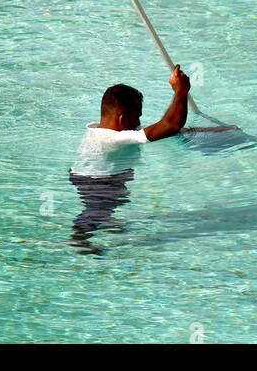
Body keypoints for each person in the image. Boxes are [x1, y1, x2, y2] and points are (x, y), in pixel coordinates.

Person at [68, 66, 190, 253]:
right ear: (122, 118)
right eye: (137, 117)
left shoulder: (97, 130)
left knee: (107, 205)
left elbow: (161, 129)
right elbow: (172, 125)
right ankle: (79, 239)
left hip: (86, 175)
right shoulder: (113, 139)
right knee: (98, 211)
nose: (139, 123)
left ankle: (103, 221)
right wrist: (181, 91)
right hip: (99, 181)